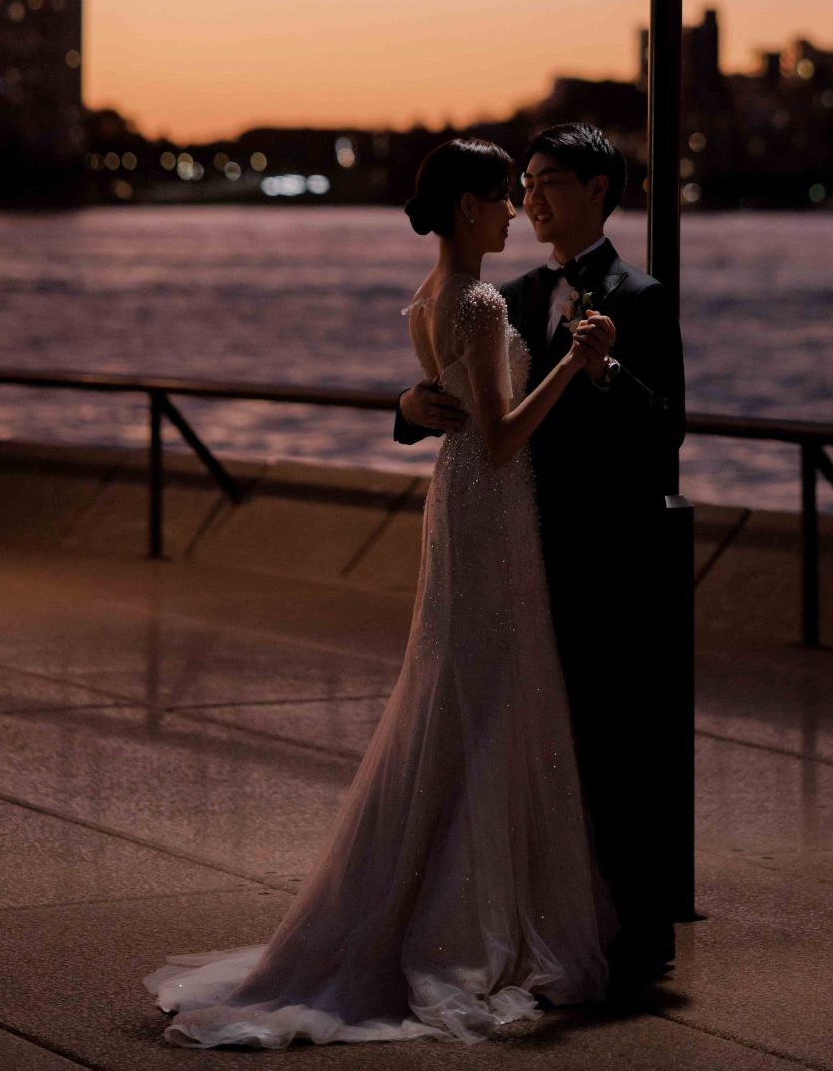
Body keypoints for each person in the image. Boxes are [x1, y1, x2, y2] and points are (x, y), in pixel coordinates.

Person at [144, 137, 615, 1048]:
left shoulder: (428, 299)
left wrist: (415, 404)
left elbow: (443, 408)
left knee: (458, 693)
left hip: (463, 507)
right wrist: (573, 364)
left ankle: (436, 893)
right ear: (472, 208)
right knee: (484, 695)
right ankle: (463, 919)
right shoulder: (476, 300)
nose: (515, 210)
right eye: (502, 197)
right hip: (490, 508)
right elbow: (504, 435)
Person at [397, 122, 685, 993]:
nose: (532, 197)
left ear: (600, 190)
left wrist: (602, 374)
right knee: (503, 725)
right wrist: (408, 402)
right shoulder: (504, 291)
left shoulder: (642, 296)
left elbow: (668, 424)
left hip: (596, 548)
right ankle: (506, 913)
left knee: (602, 737)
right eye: (524, 182)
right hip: (507, 533)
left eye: (551, 180)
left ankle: (628, 922)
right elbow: (463, 391)